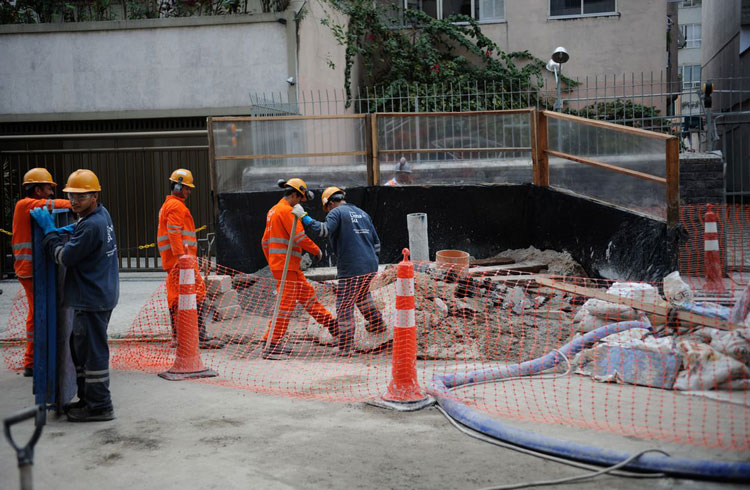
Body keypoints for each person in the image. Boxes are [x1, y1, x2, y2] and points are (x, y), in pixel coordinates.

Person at [30, 169, 118, 422]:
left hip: (92, 297)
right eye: (72, 196)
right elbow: (85, 234)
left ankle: (101, 406)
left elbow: (63, 257)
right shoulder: (100, 214)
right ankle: (88, 399)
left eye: (82, 196)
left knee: (92, 352)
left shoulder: (92, 225)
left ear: (95, 196)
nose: (75, 201)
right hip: (98, 294)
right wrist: (74, 228)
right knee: (80, 349)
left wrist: (49, 233)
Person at [293, 187, 386, 354]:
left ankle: (345, 347)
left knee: (344, 306)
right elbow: (377, 243)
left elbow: (323, 230)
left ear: (329, 204)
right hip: (370, 266)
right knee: (362, 296)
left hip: (352, 268)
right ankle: (378, 324)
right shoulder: (362, 213)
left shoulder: (336, 213)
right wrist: (369, 261)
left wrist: (303, 216)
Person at [261, 178, 338, 360]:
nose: (300, 202)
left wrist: (273, 262)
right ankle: (273, 344)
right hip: (286, 266)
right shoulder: (287, 211)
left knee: (307, 296)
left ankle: (333, 326)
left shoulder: (273, 210)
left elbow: (264, 241)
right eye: (300, 198)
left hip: (286, 266)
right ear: (294, 194)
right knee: (285, 305)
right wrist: (315, 250)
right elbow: (299, 237)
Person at [11, 168, 72, 377]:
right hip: (29, 271)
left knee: (36, 313)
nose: (51, 193)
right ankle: (32, 361)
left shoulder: (29, 206)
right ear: (37, 189)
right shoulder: (25, 204)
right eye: (48, 188)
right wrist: (79, 203)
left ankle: (34, 359)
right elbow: (58, 205)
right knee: (38, 315)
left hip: (32, 270)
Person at [157, 169, 224, 349]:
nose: (189, 191)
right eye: (186, 188)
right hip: (181, 262)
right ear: (177, 186)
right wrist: (182, 258)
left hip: (176, 262)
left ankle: (178, 337)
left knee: (176, 298)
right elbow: (174, 233)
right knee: (198, 293)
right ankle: (199, 337)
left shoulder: (169, 205)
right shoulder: (176, 207)